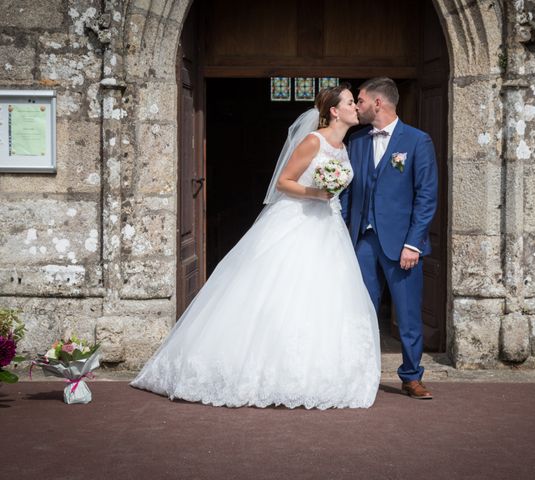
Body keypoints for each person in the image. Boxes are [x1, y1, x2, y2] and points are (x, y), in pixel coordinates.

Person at [131, 83, 381, 409]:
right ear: (334, 111)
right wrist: (315, 194)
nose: (355, 107)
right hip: (298, 222)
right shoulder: (312, 141)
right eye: (350, 102)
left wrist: (327, 197)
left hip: (329, 228)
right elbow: (283, 182)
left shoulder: (345, 147)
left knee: (324, 297)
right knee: (277, 294)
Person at [341, 77, 438, 399]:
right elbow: (346, 194)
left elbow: (426, 196)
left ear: (378, 103)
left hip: (402, 245)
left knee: (408, 313)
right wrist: (340, 234)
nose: (357, 106)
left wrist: (414, 243)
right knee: (361, 310)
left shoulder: (417, 141)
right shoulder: (355, 142)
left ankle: (411, 376)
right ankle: (363, 374)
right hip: (362, 241)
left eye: (361, 100)